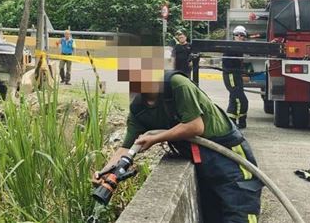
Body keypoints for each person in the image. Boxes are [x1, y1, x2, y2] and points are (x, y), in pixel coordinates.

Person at [93, 62, 262, 223]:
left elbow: (195, 126)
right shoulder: (139, 108)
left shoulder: (176, 84)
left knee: (240, 210)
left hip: (228, 155)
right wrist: (107, 172)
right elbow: (126, 148)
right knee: (213, 215)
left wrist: (155, 138)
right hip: (201, 159)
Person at [223, 25, 249, 129]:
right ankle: (238, 122)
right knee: (240, 99)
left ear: (244, 37)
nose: (239, 36)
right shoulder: (231, 47)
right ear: (233, 36)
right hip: (231, 75)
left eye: (242, 35)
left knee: (234, 98)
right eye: (237, 35)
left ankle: (232, 122)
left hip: (237, 75)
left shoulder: (241, 47)